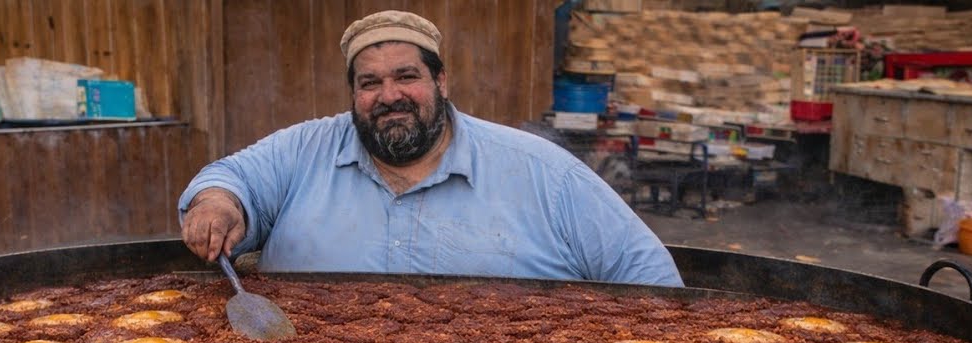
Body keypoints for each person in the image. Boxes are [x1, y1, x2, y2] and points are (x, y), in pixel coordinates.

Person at [178, 10, 682, 287]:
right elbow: (231, 178)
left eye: (406, 76)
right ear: (353, 93)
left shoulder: (541, 171)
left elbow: (648, 279)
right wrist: (217, 203)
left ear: (442, 81)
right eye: (369, 82)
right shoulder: (304, 148)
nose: (389, 96)